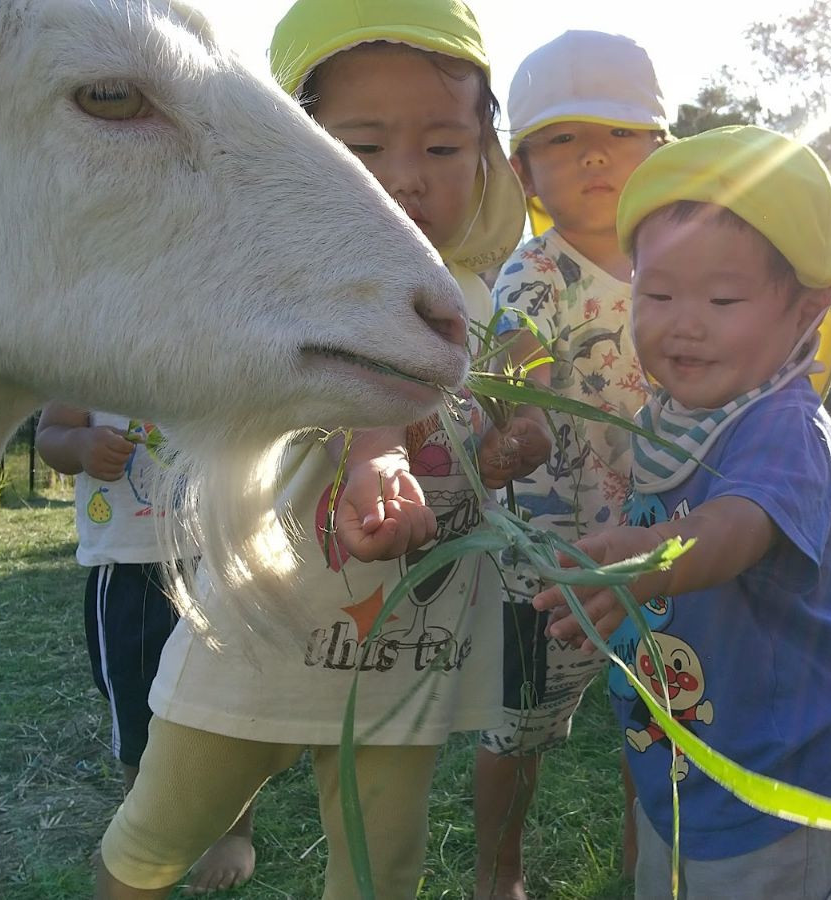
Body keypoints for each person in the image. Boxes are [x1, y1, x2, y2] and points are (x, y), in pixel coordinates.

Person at [92, 1, 546, 897]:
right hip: (259, 641)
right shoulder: (267, 292)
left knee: (382, 871)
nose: (407, 180)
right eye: (364, 149)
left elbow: (507, 416)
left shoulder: (484, 304)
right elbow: (351, 394)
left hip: (405, 658)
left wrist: (515, 439)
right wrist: (375, 453)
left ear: (488, 158)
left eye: (444, 149)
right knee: (154, 840)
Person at [530, 125, 831, 899]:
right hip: (682, 755)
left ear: (804, 312)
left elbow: (734, 529)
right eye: (656, 294)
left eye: (722, 299)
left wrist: (648, 556)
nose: (683, 322)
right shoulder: (673, 411)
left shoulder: (781, 428)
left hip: (774, 777)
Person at [474, 30, 668, 899]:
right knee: (518, 728)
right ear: (523, 171)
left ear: (661, 150)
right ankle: (497, 874)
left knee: (660, 712)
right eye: (562, 138)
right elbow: (516, 348)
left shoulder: (679, 263)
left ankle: (646, 863)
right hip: (546, 563)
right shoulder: (537, 268)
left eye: (621, 132)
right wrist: (523, 407)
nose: (595, 152)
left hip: (657, 539)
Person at [36, 405, 259, 894]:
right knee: (137, 709)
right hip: (127, 570)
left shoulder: (213, 339)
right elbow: (49, 433)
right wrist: (79, 446)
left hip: (214, 560)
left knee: (229, 700)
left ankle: (234, 834)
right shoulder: (88, 356)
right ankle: (142, 835)